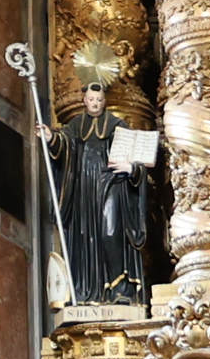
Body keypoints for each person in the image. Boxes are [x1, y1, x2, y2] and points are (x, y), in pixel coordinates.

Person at [45, 47, 154, 304]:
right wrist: (50, 138)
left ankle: (120, 288)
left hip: (111, 183)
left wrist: (131, 169)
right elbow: (64, 144)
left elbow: (137, 160)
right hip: (84, 187)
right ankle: (89, 291)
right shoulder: (75, 126)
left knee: (110, 231)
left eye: (99, 100)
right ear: (85, 100)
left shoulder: (117, 126)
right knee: (85, 236)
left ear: (104, 101)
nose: (95, 104)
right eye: (91, 100)